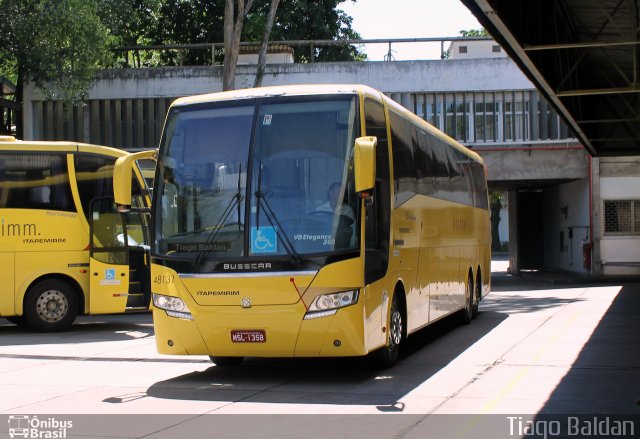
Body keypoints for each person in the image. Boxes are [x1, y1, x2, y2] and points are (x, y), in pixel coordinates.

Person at [315, 182, 355, 248]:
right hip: (322, 247)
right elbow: (316, 231)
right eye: (339, 191)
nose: (342, 194)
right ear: (331, 193)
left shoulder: (348, 210)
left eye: (343, 192)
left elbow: (351, 233)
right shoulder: (320, 209)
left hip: (341, 247)